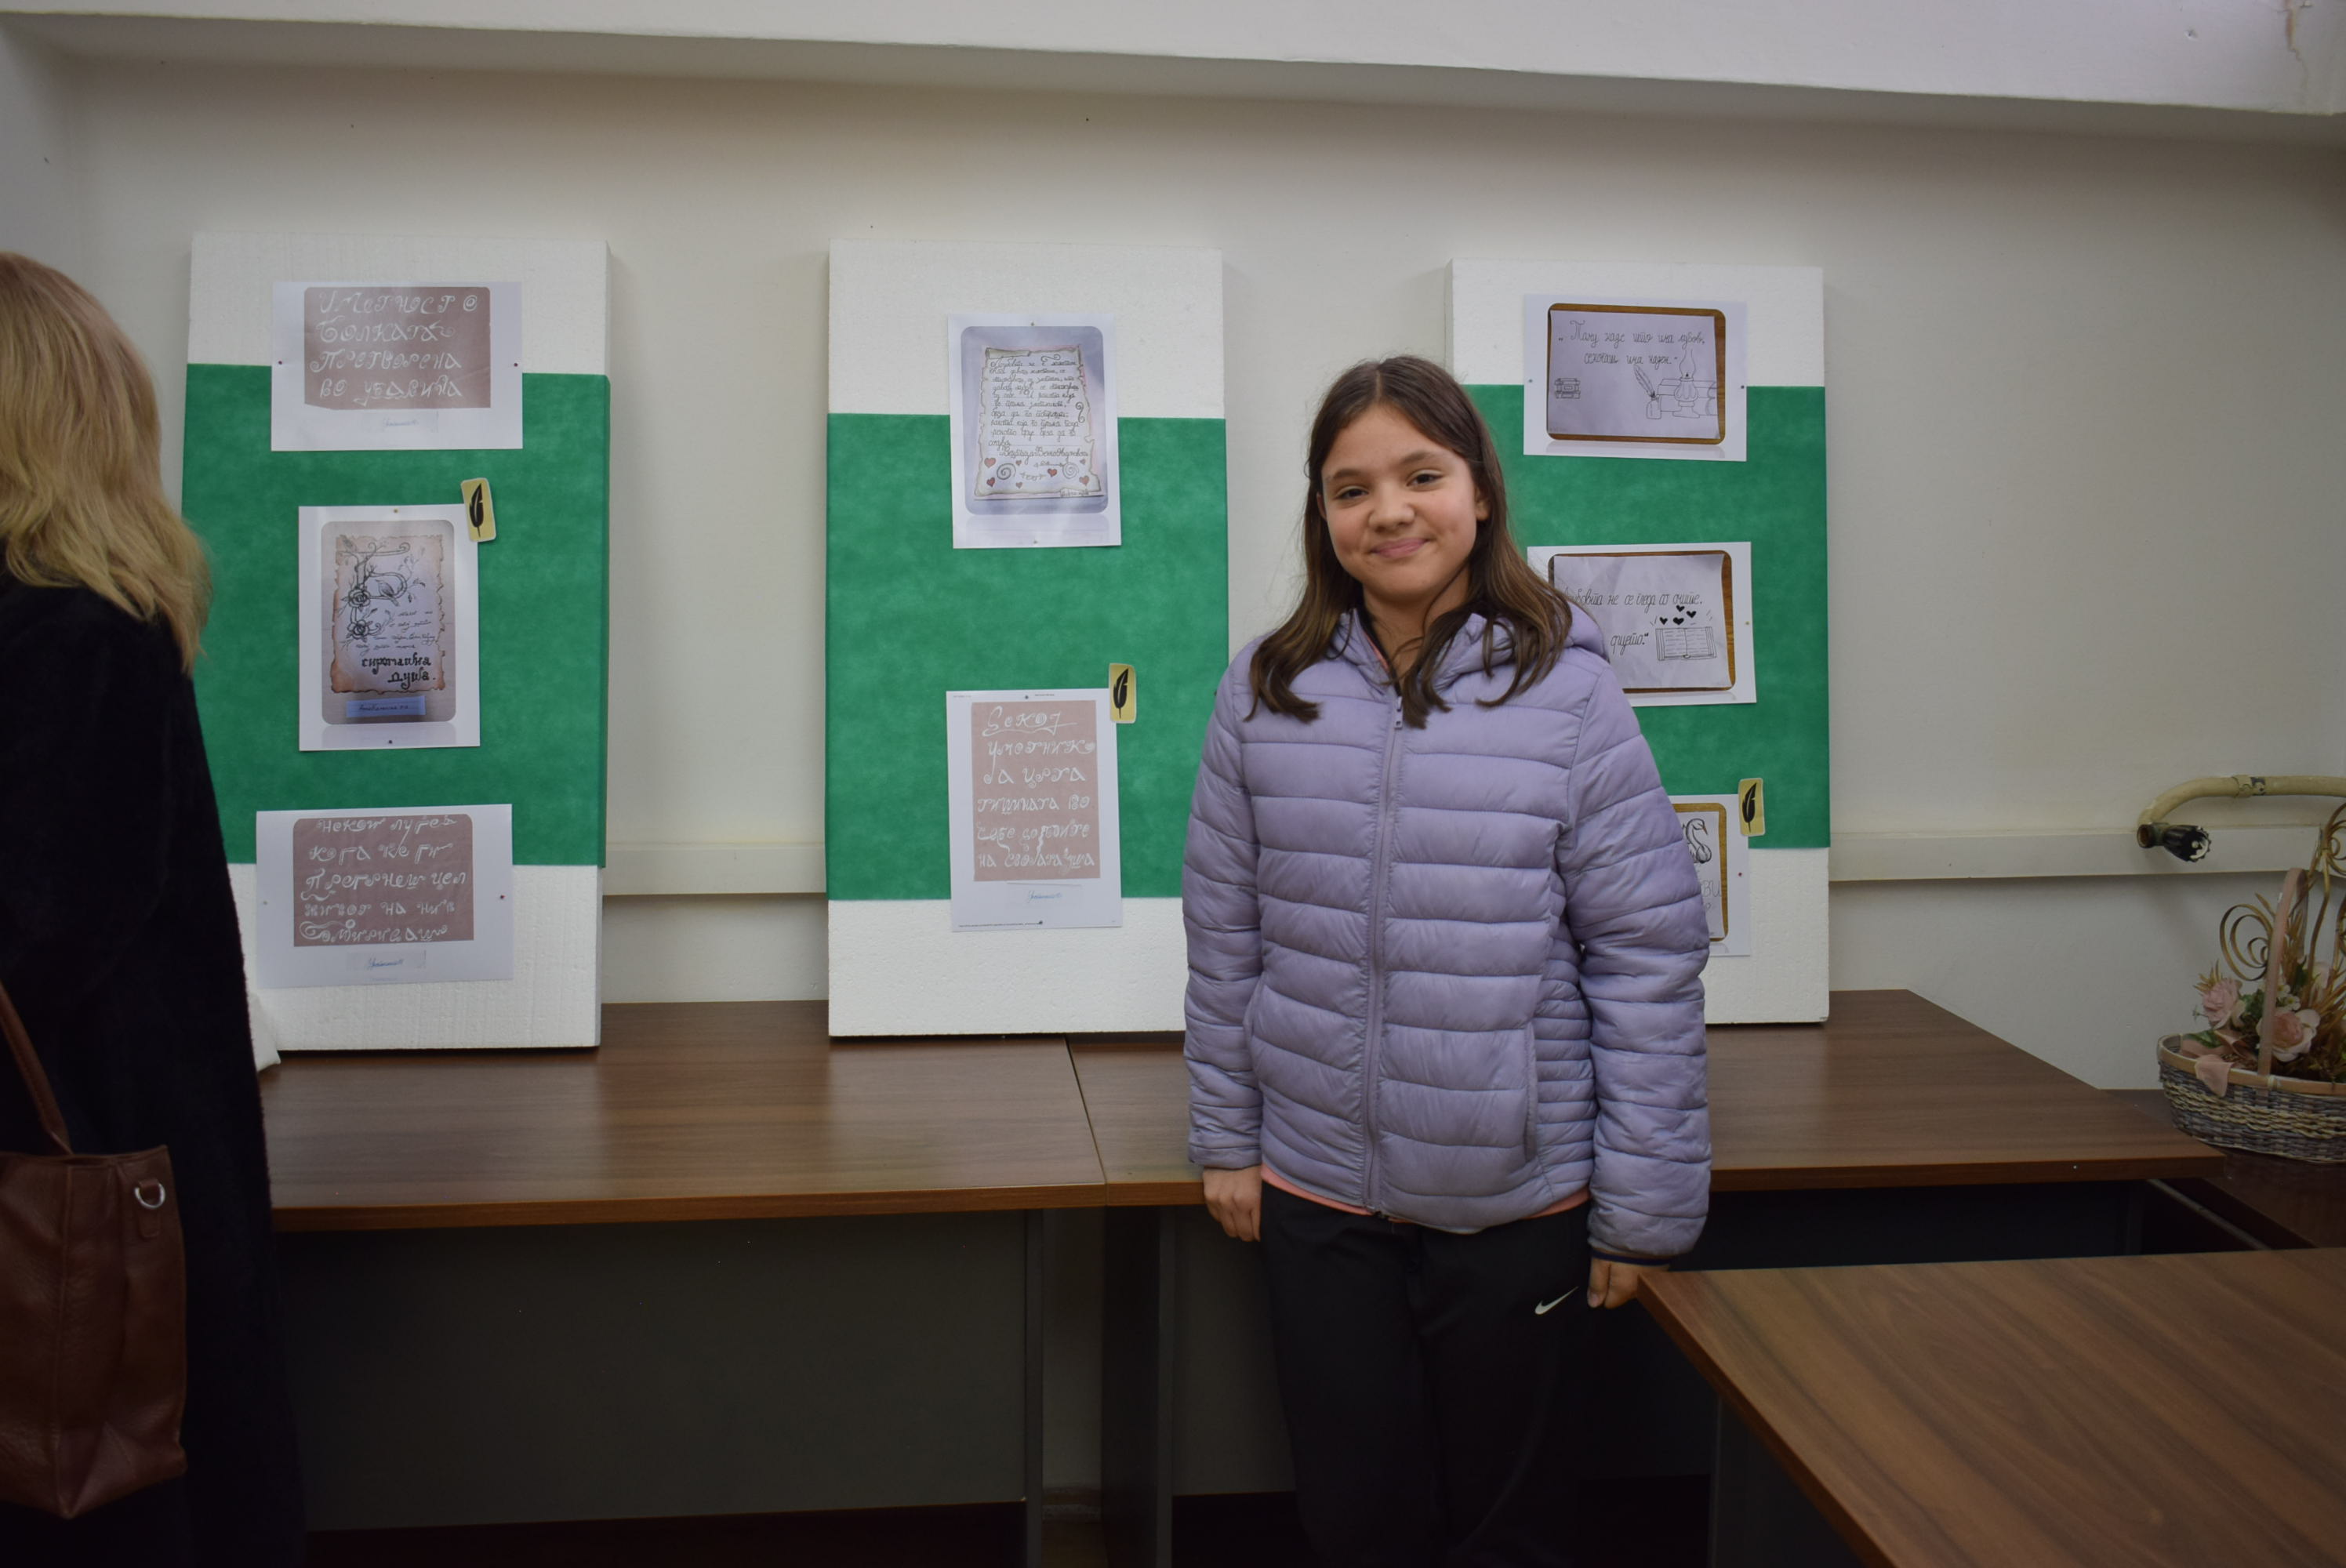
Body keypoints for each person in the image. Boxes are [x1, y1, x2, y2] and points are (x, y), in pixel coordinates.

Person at [1182, 356, 1710, 1566]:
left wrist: (1641, 1216)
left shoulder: (1570, 694)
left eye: (1421, 476)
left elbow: (1646, 957)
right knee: (1354, 1513)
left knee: (1509, 1526)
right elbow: (1225, 931)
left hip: (1516, 1196)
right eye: (1351, 488)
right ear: (1323, 514)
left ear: (1478, 491)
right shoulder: (1265, 690)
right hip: (1318, 1185)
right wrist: (1226, 1140)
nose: (1389, 511)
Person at [0, 252, 305, 1566]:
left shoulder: (73, 636)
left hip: (78, 1175)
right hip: (114, 1160)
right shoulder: (90, 624)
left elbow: (40, 933)